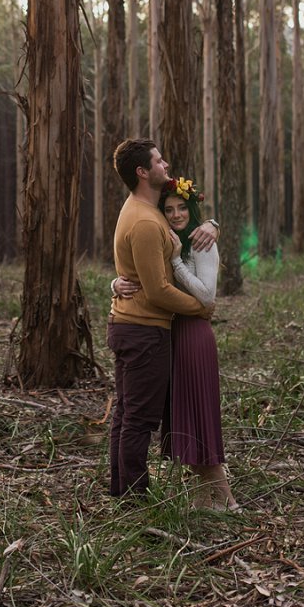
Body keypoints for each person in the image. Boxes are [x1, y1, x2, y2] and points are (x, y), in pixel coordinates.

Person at [113, 175, 236, 511]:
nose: (177, 214)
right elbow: (143, 271)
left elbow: (207, 295)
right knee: (186, 418)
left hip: (194, 336)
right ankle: (201, 498)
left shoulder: (199, 244)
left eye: (183, 207)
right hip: (173, 336)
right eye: (169, 209)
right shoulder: (167, 240)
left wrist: (179, 261)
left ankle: (226, 499)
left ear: (192, 208)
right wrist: (115, 282)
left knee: (200, 417)